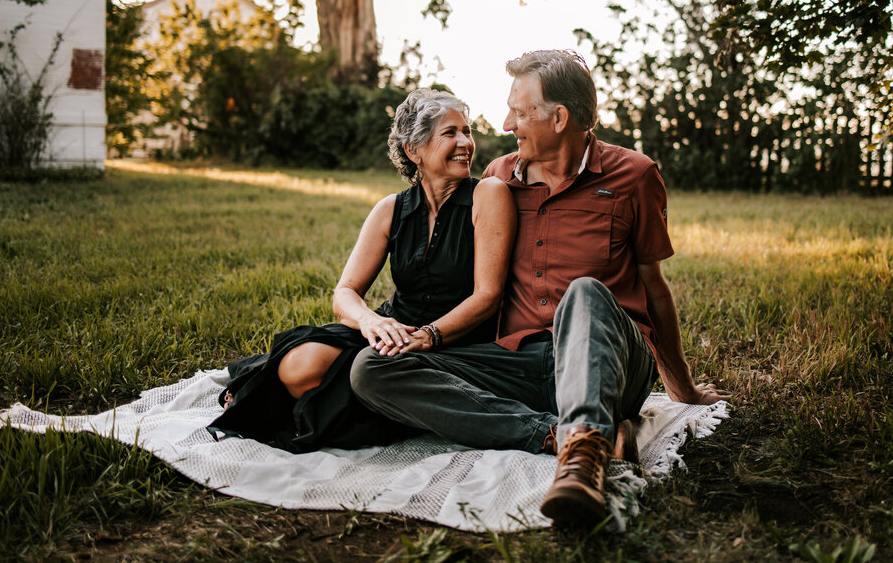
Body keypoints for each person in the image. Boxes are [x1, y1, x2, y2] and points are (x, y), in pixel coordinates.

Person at [349, 50, 729, 527]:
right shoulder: (498, 179)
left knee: (586, 293)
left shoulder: (634, 176)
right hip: (523, 363)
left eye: (519, 111)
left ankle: (582, 467)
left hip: (610, 363)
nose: (506, 124)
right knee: (372, 370)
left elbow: (654, 286)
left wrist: (682, 386)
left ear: (560, 117)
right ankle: (558, 434)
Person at [208, 88, 515, 452]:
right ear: (413, 150)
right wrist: (372, 322)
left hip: (453, 341)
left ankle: (311, 405)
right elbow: (345, 293)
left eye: (467, 131)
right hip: (391, 330)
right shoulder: (391, 209)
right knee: (298, 366)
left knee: (343, 379)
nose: (466, 142)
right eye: (451, 133)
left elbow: (488, 295)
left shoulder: (488, 194)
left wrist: (429, 335)